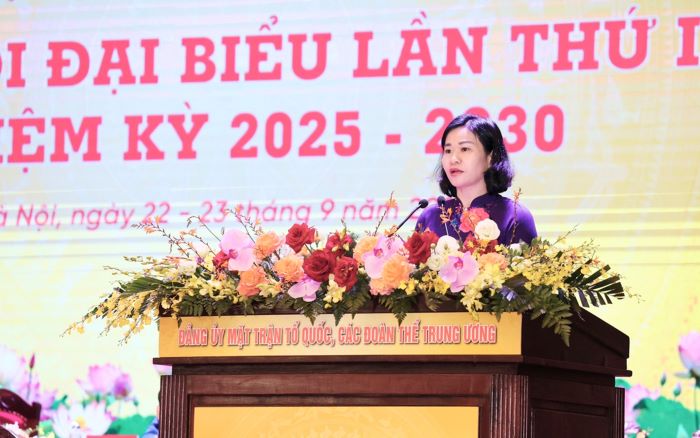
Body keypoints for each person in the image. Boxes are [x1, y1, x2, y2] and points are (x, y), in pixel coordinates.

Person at [416, 113, 537, 245]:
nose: (453, 159)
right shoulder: (430, 217)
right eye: (448, 150)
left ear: (490, 157)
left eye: (465, 149)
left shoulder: (514, 217)